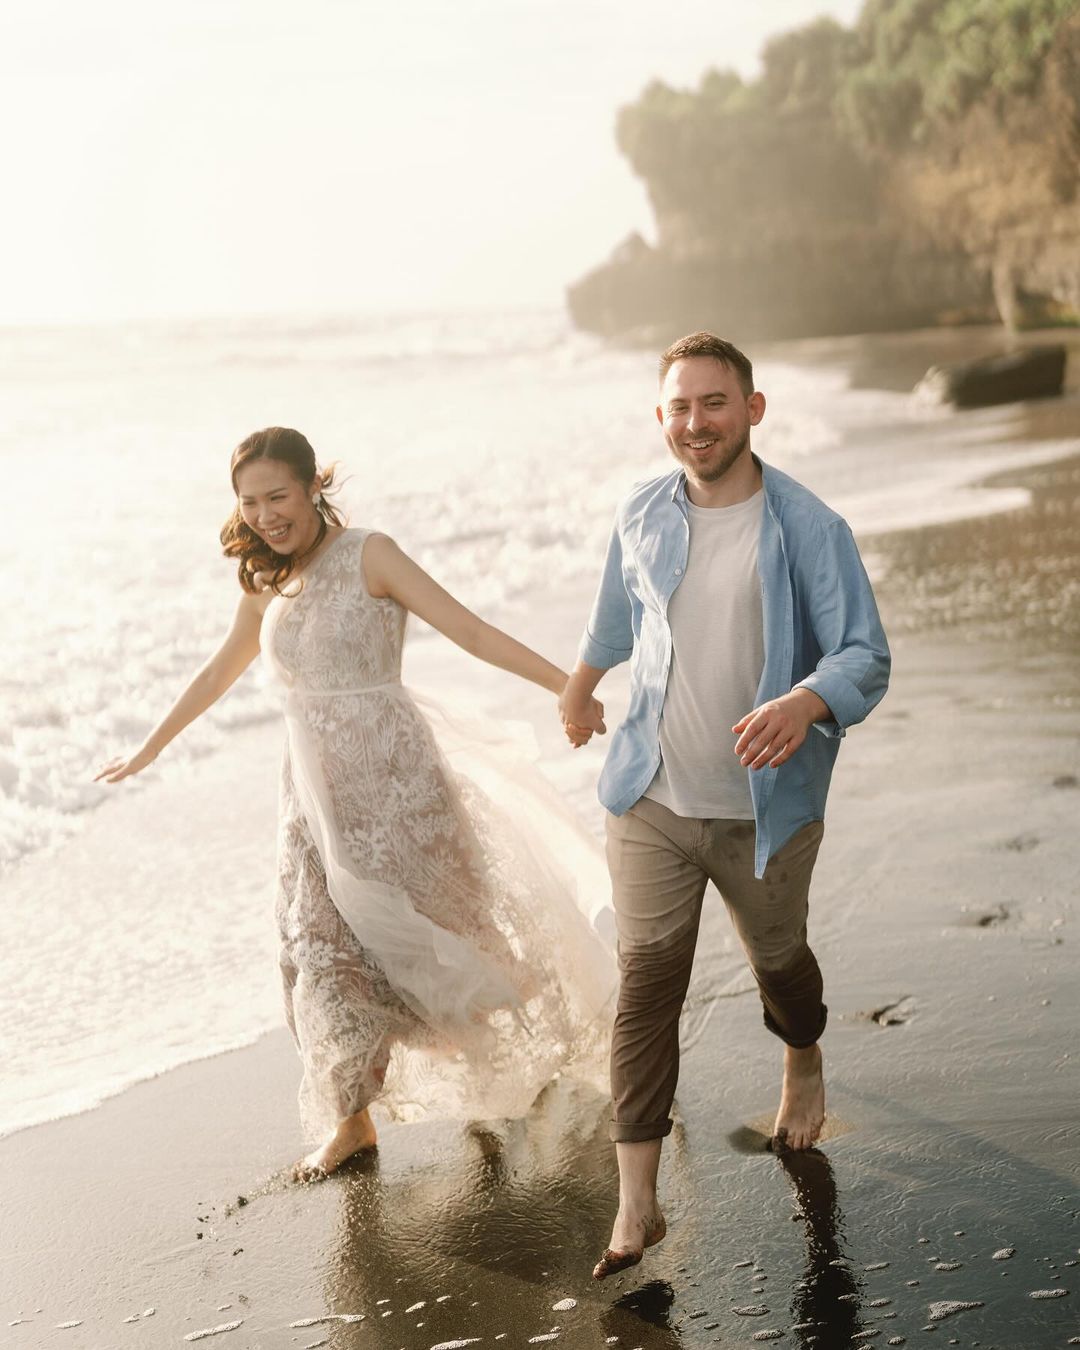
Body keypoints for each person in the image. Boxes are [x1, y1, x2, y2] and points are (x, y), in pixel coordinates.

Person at [97, 426, 613, 1180]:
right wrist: (150, 747)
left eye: (278, 496)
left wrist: (569, 688)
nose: (266, 515)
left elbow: (467, 629)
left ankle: (510, 1070)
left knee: (443, 939)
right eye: (250, 502)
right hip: (313, 802)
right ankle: (352, 1124)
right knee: (320, 953)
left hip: (396, 785)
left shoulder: (371, 553)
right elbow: (217, 674)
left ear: (314, 486)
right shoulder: (263, 579)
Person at [558, 332, 890, 1278]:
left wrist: (805, 699)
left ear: (753, 408)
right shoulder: (641, 510)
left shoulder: (809, 526)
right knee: (646, 988)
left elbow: (864, 654)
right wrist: (582, 688)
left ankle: (803, 1053)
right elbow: (615, 616)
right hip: (652, 798)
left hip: (764, 812)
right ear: (660, 418)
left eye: (714, 403)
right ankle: (636, 1207)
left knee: (779, 964)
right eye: (678, 407)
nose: (695, 423)